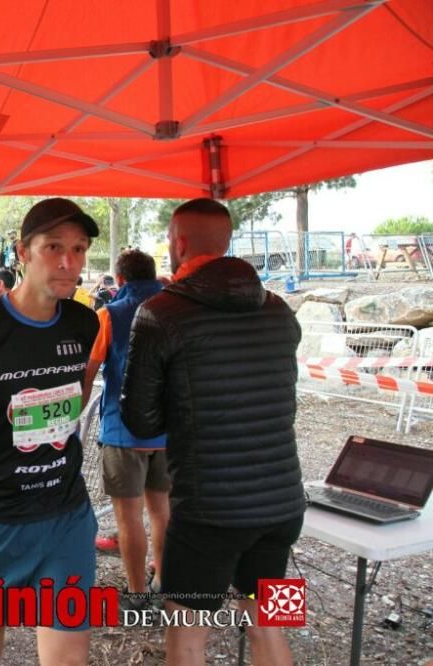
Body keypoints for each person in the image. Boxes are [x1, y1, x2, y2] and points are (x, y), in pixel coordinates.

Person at [119, 198, 304, 666]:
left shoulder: (161, 313)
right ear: (226, 243)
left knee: (186, 635)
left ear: (178, 243)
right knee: (271, 623)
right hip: (283, 505)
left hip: (209, 511)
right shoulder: (280, 310)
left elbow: (140, 421)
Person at [0, 198, 100, 665]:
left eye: (79, 248)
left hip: (66, 516)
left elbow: (75, 398)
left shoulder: (84, 322)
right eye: (53, 247)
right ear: (22, 252)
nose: (69, 261)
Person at [82, 249, 168, 609]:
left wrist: (74, 412)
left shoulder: (108, 315)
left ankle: (136, 592)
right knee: (162, 510)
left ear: (120, 279)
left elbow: (88, 372)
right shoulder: (174, 310)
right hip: (166, 430)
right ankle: (163, 579)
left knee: (128, 516)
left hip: (121, 430)